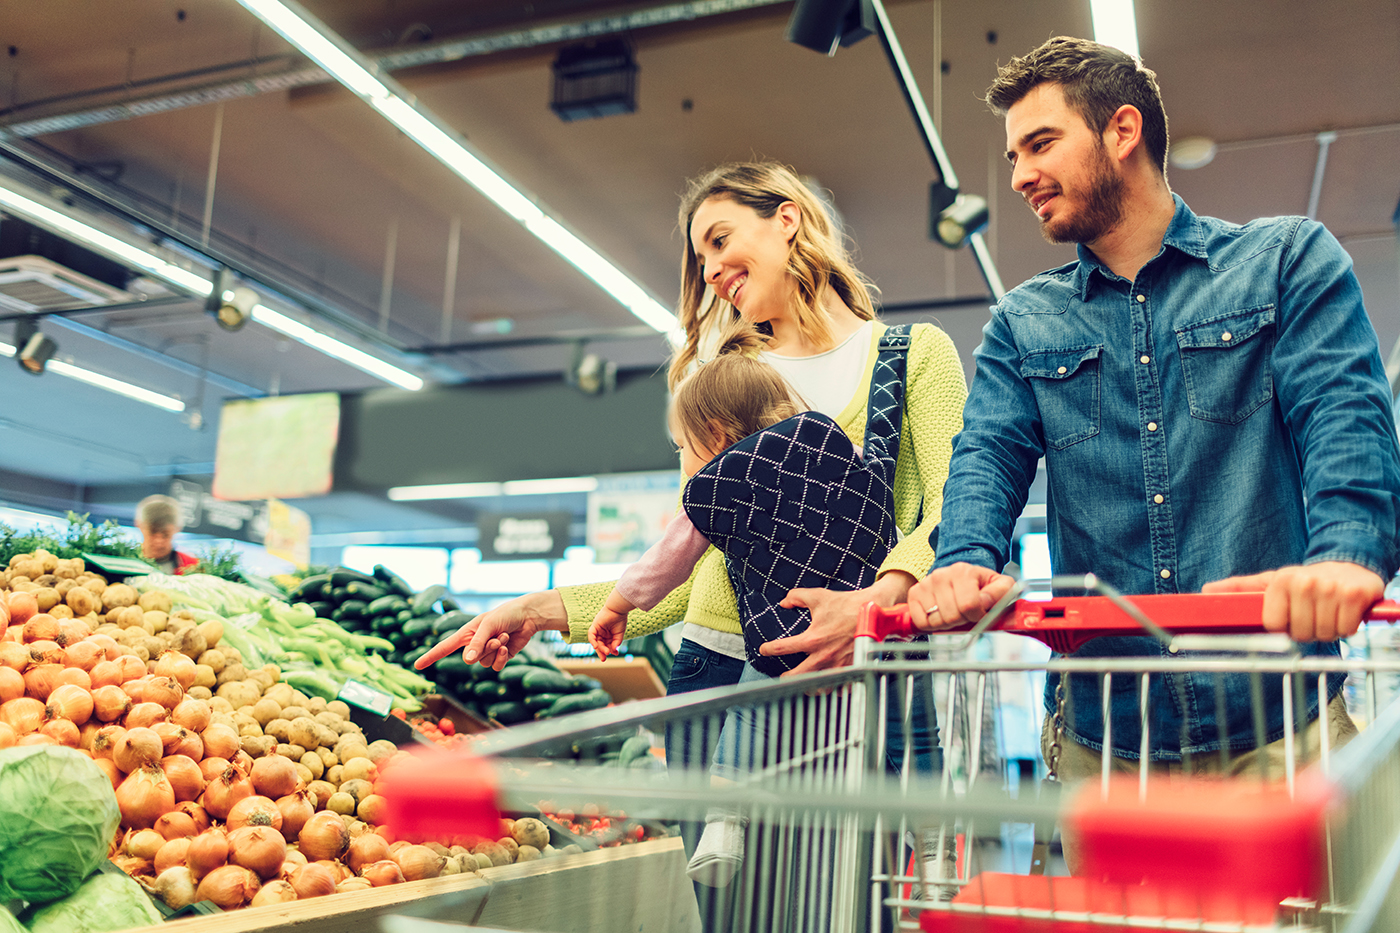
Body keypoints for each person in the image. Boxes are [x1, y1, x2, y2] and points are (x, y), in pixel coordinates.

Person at [905, 36, 1400, 870]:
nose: (1019, 175)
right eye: (1013, 155)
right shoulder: (1024, 323)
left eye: (1040, 143)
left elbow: (1343, 417)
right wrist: (962, 561)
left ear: (1123, 130)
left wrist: (1348, 554)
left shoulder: (1285, 262)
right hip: (1107, 753)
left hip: (1283, 734)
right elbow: (985, 454)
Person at [416, 162, 967, 907]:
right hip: (717, 675)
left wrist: (876, 602)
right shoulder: (718, 385)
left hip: (854, 674)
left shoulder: (911, 354)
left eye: (719, 239)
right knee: (729, 909)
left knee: (845, 905)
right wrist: (544, 610)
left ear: (787, 219)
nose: (708, 270)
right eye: (698, 257)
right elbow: (691, 563)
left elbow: (952, 511)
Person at [135, 495, 198, 575]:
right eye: (152, 532)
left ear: (177, 529)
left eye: (166, 534)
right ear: (139, 525)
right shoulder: (124, 561)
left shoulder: (192, 567)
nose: (158, 541)